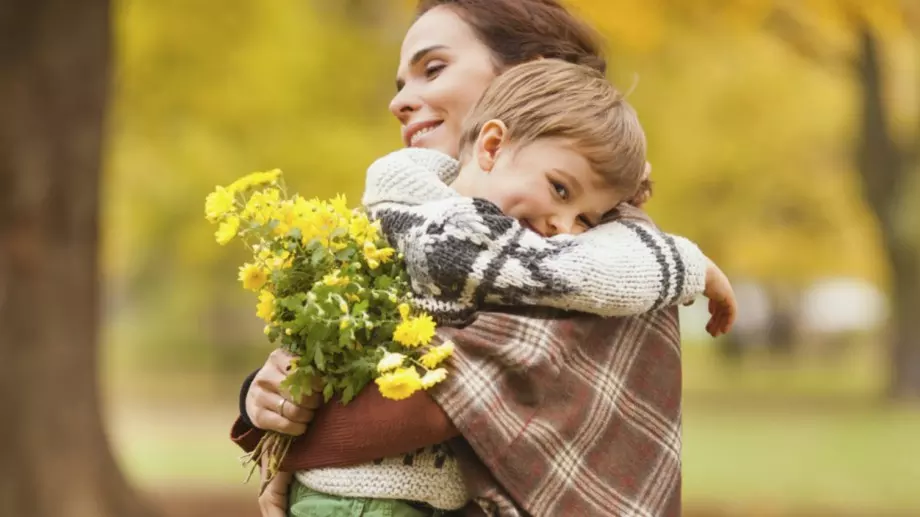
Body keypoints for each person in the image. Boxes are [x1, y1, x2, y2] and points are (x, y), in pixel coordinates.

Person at [233, 1, 735, 515]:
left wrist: (297, 443)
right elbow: (355, 367)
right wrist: (269, 394)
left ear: (531, 74)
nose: (401, 102)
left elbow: (404, 414)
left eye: (433, 68)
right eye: (400, 84)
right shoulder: (424, 215)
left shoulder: (608, 256)